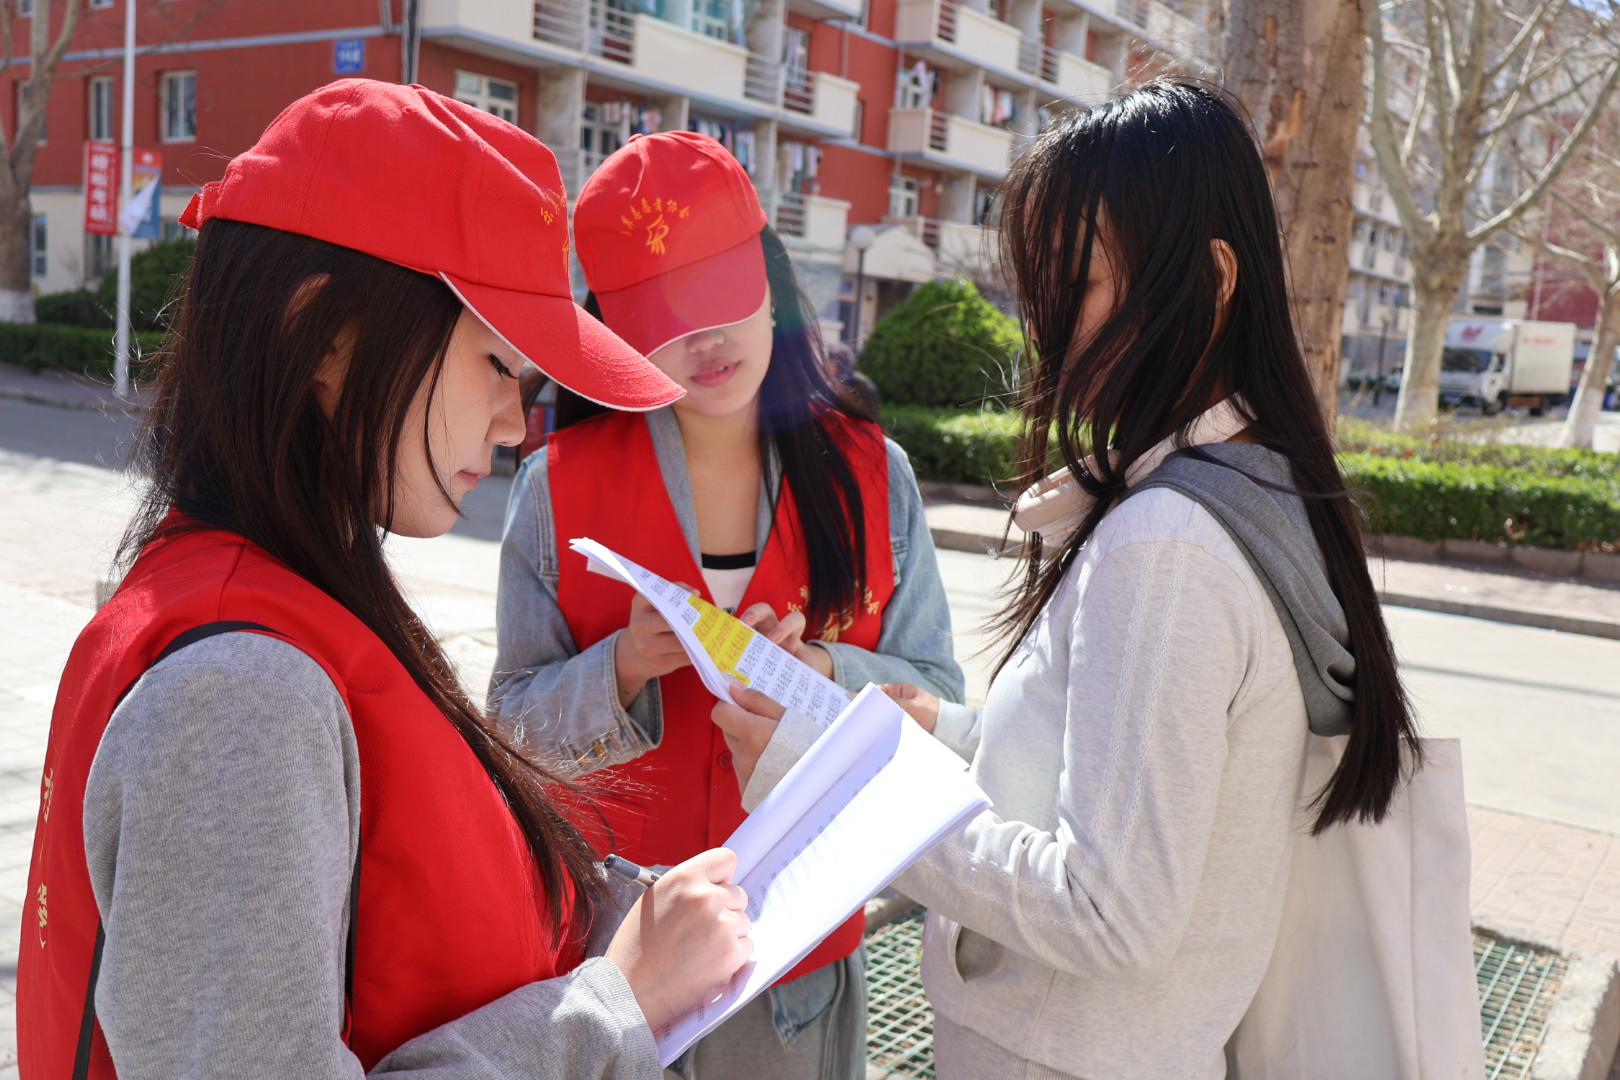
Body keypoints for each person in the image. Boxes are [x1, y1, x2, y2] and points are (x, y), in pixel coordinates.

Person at [18, 80, 754, 1080]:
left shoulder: (280, 603)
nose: (514, 425)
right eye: (497, 364)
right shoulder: (240, 695)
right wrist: (614, 1002)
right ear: (328, 337)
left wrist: (636, 919)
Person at [713, 79, 1423, 1079]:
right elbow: (1138, 781)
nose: (1045, 325)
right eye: (1038, 286)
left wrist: (838, 789)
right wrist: (954, 735)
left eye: (1077, 282)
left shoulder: (1167, 545)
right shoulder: (1262, 487)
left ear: (1212, 279)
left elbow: (1109, 911)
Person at [489, 131, 963, 1080]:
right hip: (618, 963)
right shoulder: (557, 488)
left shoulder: (874, 476)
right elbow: (507, 732)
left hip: (795, 968)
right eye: (667, 317)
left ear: (771, 283)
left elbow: (940, 701)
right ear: (618, 332)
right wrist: (623, 668)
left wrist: (823, 672)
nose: (706, 341)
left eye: (720, 297)